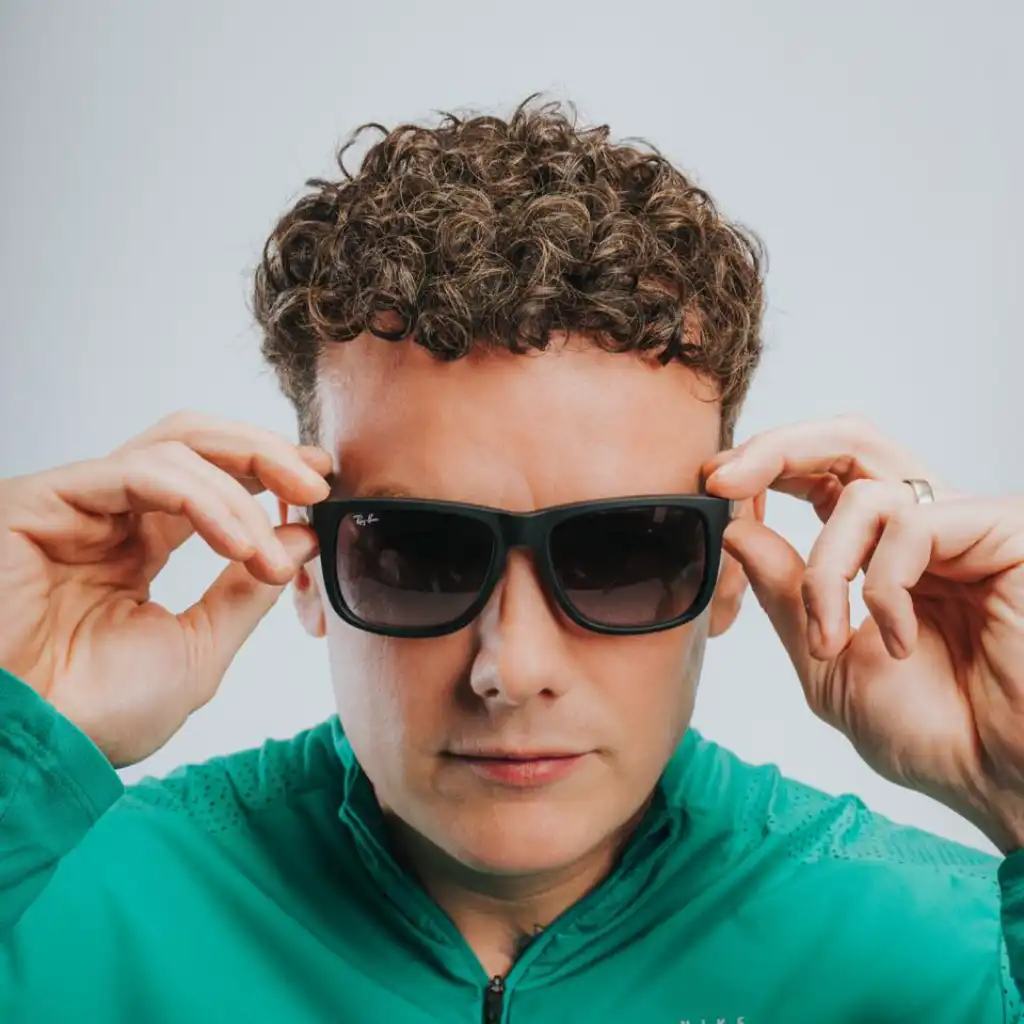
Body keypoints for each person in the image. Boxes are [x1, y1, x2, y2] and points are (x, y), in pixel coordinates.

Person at [1, 98, 1023, 1024]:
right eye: (418, 554)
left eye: (623, 550)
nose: (511, 668)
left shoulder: (965, 955)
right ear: (305, 558)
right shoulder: (56, 905)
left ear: (727, 561)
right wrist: (13, 754)